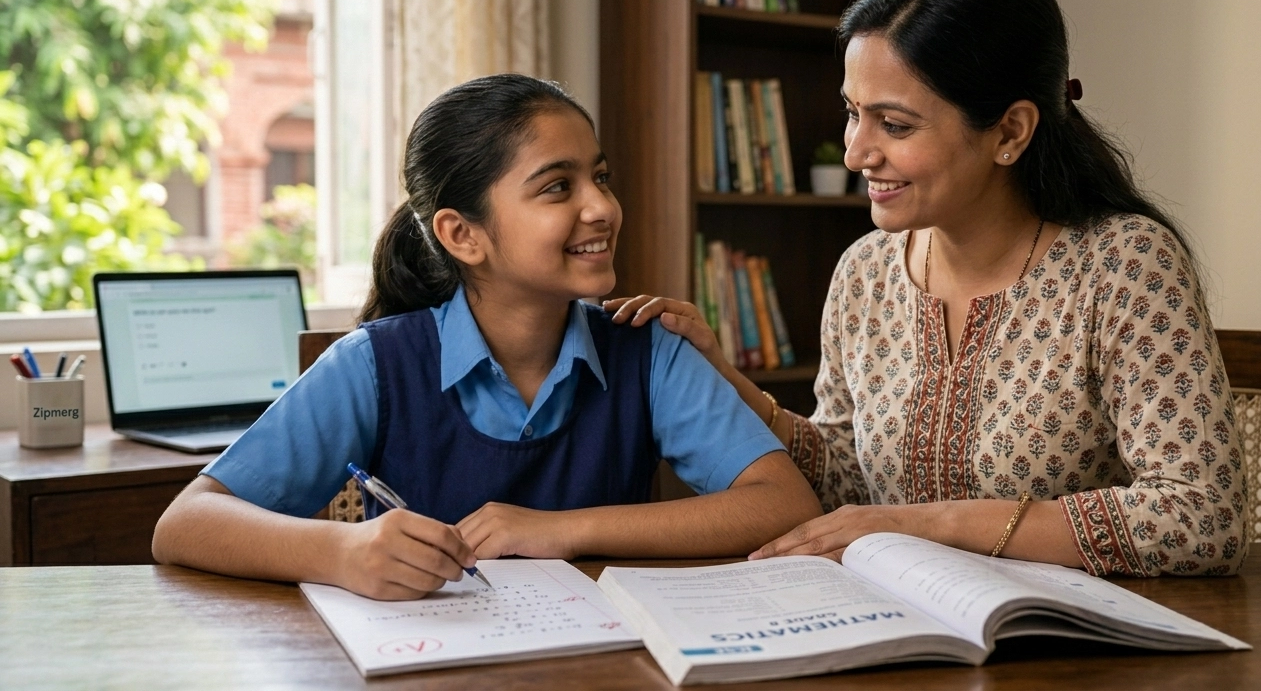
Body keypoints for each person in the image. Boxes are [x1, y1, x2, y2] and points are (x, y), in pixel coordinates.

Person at [607, 0, 1246, 577]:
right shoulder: (864, 272)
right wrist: (729, 381)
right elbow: (846, 480)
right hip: (906, 629)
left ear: (1010, 132)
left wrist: (924, 523)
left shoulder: (1124, 265)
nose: (856, 153)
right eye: (853, 113)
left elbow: (1202, 517)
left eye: (895, 125)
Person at [153, 74, 821, 600]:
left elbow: (782, 503)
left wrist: (558, 530)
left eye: (601, 177)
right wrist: (341, 552)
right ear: (461, 234)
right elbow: (186, 523)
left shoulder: (649, 348)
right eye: (558, 186)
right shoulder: (374, 364)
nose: (603, 207)